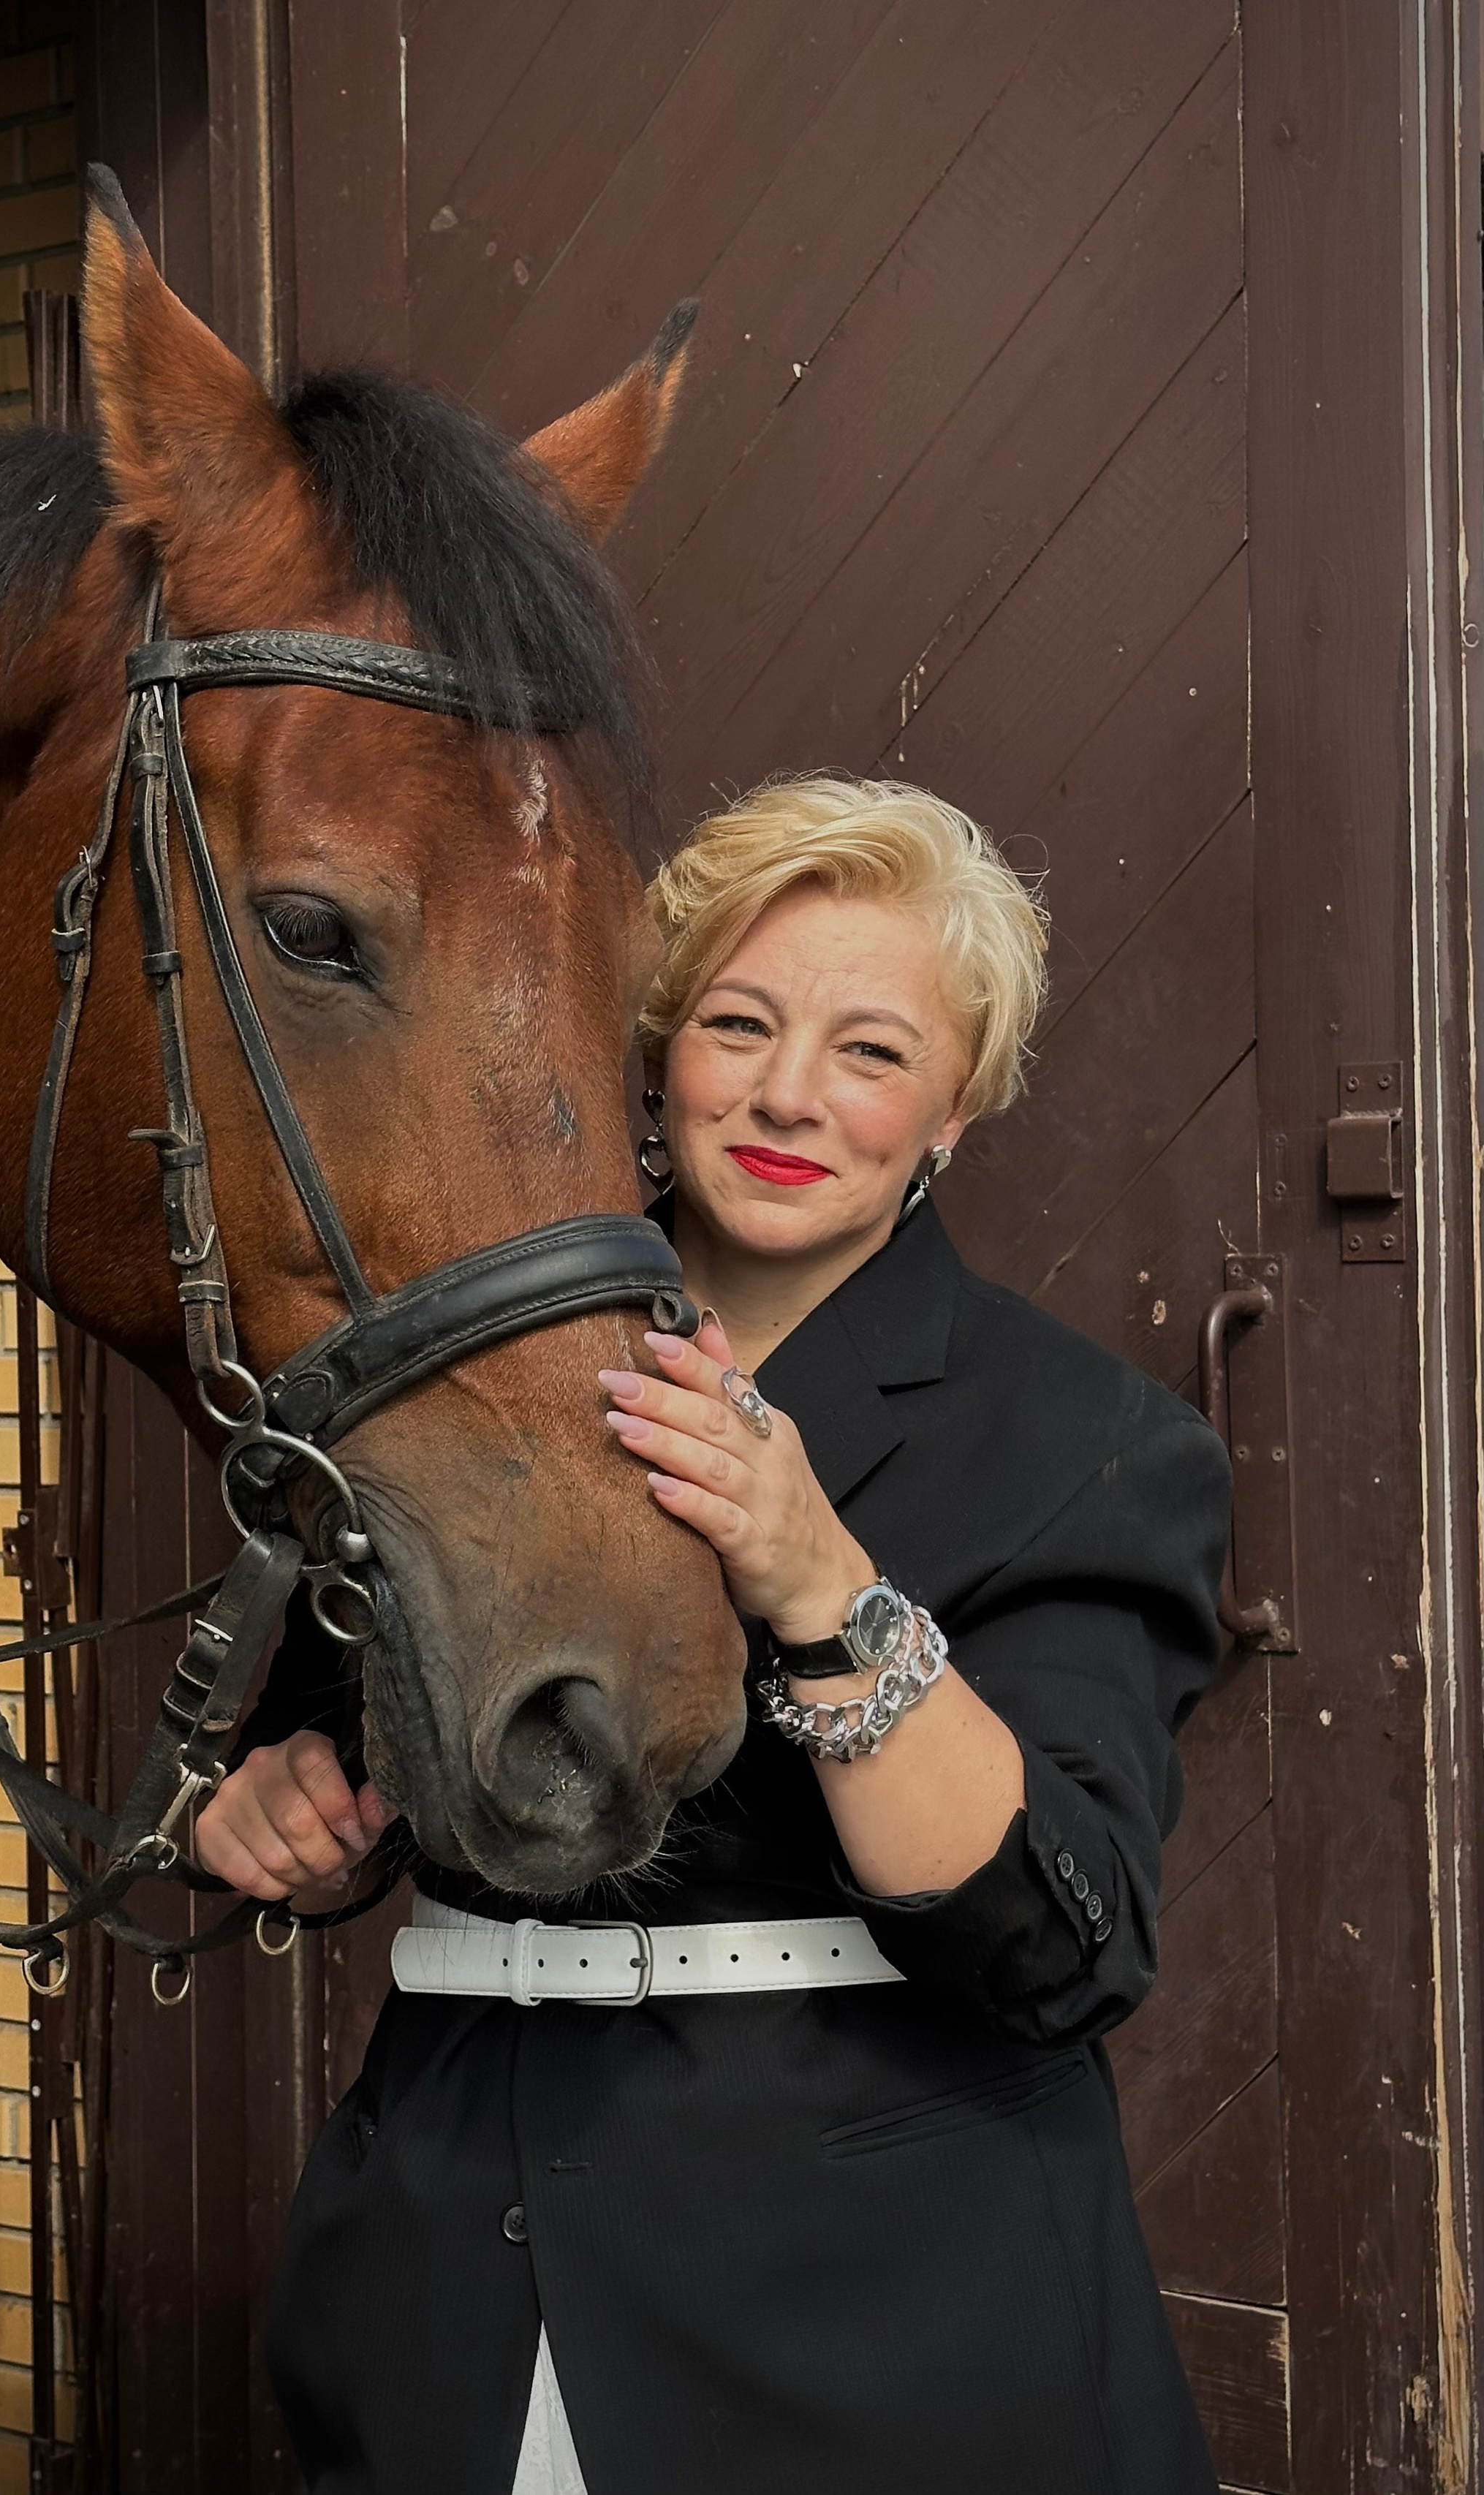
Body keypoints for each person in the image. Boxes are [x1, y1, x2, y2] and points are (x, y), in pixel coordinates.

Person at [197, 774, 1232, 2495]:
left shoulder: (1088, 1444)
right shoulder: (447, 1370)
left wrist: (816, 1579)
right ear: (660, 1051)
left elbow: (1060, 1950)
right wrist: (284, 1810)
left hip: (878, 2317)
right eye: (737, 1025)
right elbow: (328, 1726)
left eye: (870, 1052)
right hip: (442, 2266)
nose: (786, 1094)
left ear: (952, 1111)